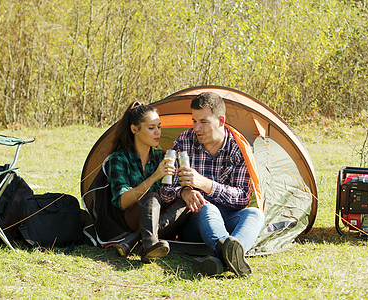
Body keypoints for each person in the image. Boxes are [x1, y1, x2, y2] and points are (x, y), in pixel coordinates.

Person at [160, 92, 265, 277]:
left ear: (221, 120)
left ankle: (220, 261)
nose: (197, 128)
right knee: (208, 208)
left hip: (228, 218)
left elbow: (242, 198)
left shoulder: (237, 148)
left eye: (203, 122)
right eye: (194, 121)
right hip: (194, 222)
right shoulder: (184, 142)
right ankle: (230, 255)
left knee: (255, 214)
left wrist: (206, 184)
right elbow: (165, 190)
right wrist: (183, 192)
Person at [106, 101, 189, 262]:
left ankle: (139, 241)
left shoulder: (162, 157)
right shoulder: (119, 159)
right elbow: (123, 202)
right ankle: (147, 241)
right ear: (134, 129)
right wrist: (154, 177)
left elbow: (171, 195)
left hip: (160, 217)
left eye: (159, 126)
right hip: (131, 217)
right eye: (151, 128)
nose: (157, 132)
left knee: (188, 200)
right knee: (152, 197)